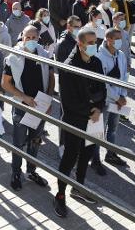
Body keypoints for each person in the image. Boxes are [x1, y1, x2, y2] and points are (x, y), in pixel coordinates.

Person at [53, 28, 106, 217]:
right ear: (80, 44)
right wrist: (89, 110)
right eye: (90, 43)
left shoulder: (97, 62)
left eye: (95, 42)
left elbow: (102, 88)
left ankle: (79, 186)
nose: (94, 46)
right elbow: (68, 101)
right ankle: (60, 194)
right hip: (75, 119)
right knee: (70, 156)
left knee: (86, 154)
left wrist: (98, 108)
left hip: (93, 118)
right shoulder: (69, 67)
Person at [2, 26, 55, 190]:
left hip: (40, 106)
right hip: (21, 106)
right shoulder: (13, 57)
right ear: (22, 37)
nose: (31, 40)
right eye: (28, 37)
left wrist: (48, 100)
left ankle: (31, 171)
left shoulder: (44, 54)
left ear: (38, 38)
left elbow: (52, 78)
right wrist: (24, 98)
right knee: (18, 143)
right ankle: (16, 173)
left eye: (34, 37)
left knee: (35, 141)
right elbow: (5, 83)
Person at [97, 28, 129, 167]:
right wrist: (117, 97)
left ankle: (110, 154)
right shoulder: (99, 57)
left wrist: (123, 95)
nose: (120, 41)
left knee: (113, 129)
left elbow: (123, 77)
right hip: (104, 101)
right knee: (99, 131)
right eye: (117, 39)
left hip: (118, 100)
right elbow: (102, 83)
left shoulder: (120, 55)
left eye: (120, 38)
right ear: (108, 40)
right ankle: (95, 158)